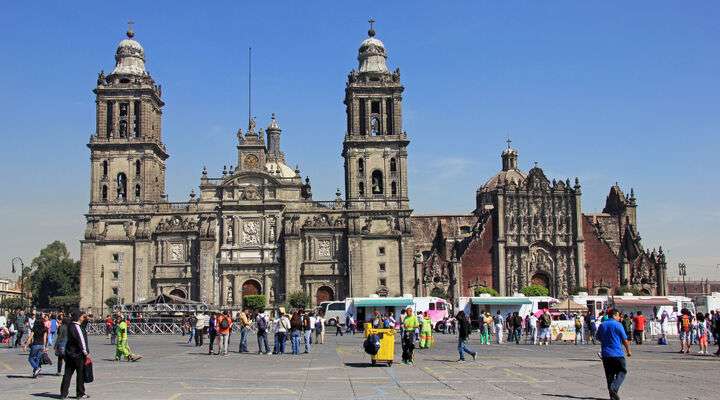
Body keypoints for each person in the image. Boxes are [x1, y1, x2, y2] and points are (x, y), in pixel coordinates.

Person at [596, 309, 632, 400]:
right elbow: (624, 340)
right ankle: (613, 389)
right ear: (615, 315)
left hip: (606, 354)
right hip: (617, 353)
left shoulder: (602, 325)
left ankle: (612, 396)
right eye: (619, 316)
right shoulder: (618, 325)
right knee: (622, 371)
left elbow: (598, 337)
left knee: (610, 375)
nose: (619, 317)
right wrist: (628, 351)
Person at [23, 313, 47, 378]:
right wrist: (44, 346)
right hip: (41, 345)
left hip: (35, 345)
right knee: (37, 359)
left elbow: (30, 337)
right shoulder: (44, 329)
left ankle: (36, 368)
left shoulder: (34, 329)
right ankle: (35, 373)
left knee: (30, 358)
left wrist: (26, 345)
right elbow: (45, 339)